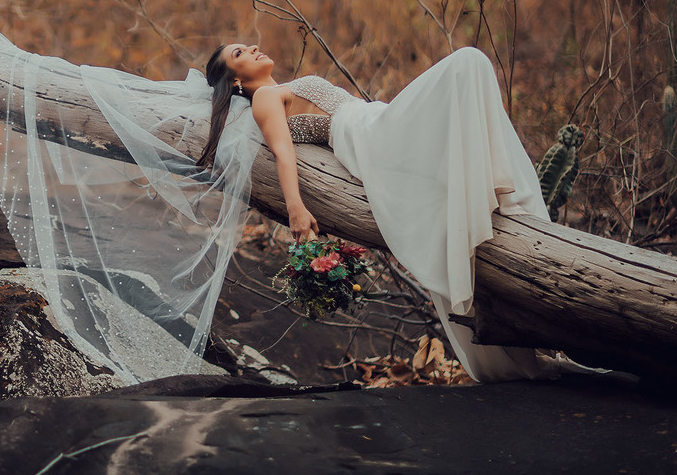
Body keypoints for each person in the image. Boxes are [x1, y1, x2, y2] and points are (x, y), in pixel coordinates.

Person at [204, 42, 557, 382]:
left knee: (471, 68)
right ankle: (499, 190)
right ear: (235, 80)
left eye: (248, 45)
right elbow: (283, 151)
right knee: (468, 62)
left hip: (374, 121)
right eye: (240, 53)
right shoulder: (264, 98)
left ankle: (494, 190)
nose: (252, 48)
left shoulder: (278, 89)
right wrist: (296, 208)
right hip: (367, 134)